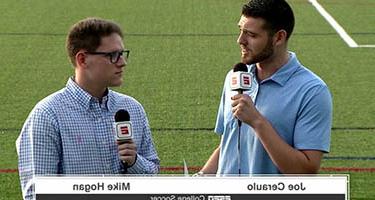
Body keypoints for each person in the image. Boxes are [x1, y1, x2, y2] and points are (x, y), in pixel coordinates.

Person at [16, 17, 160, 199]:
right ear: (82, 59)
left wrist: (134, 162)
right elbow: (37, 194)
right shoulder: (47, 115)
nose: (123, 62)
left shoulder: (132, 108)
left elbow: (154, 175)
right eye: (113, 55)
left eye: (123, 54)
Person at [199, 0, 332, 175]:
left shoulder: (312, 91)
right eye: (241, 31)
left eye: (251, 35)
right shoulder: (235, 76)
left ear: (278, 37)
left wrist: (257, 122)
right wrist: (200, 178)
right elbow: (230, 143)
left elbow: (305, 172)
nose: (241, 40)